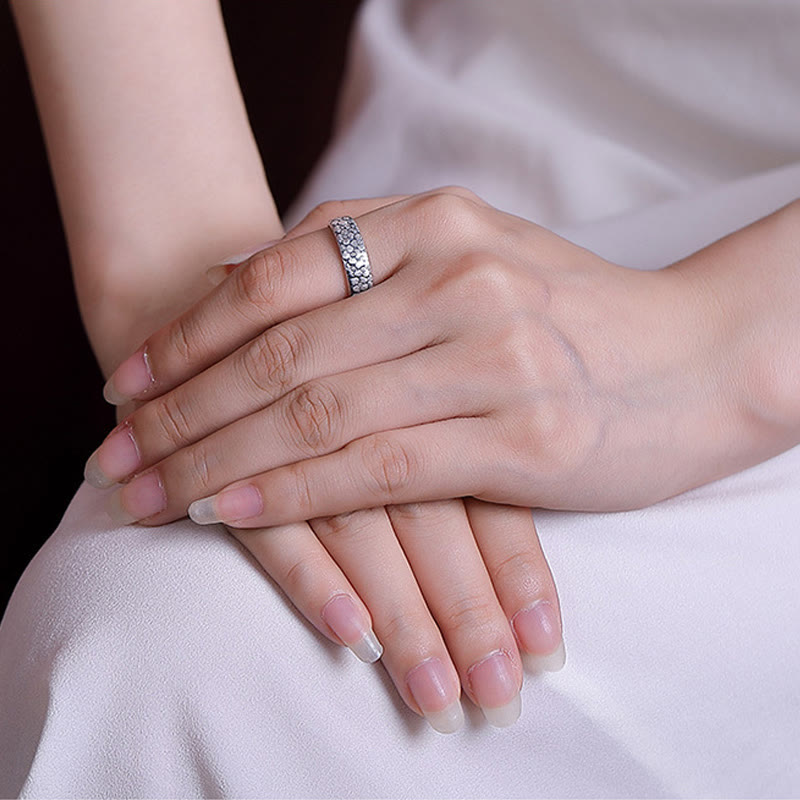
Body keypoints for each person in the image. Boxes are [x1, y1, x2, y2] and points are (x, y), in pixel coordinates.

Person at [1, 0, 798, 797]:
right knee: (142, 633)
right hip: (459, 151)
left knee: (213, 665)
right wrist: (184, 252)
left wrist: (718, 350)